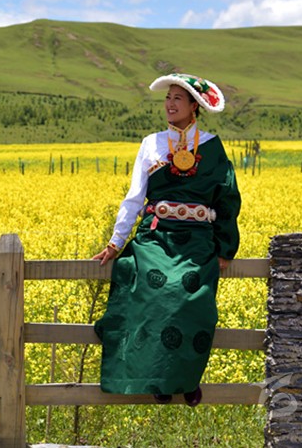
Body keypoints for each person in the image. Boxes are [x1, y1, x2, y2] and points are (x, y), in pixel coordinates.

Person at [92, 72, 241, 406]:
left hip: (198, 242)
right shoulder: (152, 143)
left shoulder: (212, 147)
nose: (170, 104)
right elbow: (134, 196)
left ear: (194, 106)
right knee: (155, 295)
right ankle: (157, 378)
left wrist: (225, 247)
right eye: (167, 98)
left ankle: (187, 379)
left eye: (177, 98)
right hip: (157, 238)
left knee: (193, 301)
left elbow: (227, 198)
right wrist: (116, 242)